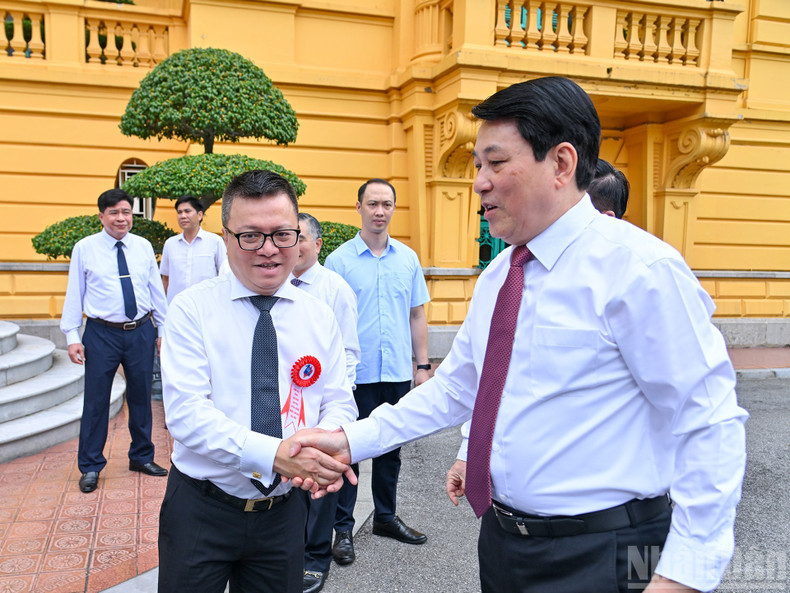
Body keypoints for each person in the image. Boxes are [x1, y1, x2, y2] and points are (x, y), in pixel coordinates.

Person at [291, 77, 748, 593]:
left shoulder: (640, 270)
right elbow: (458, 389)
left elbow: (708, 421)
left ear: (561, 163)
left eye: (496, 162)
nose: (479, 182)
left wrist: (683, 574)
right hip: (505, 544)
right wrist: (350, 440)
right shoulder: (501, 274)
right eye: (477, 165)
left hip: (611, 551)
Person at [158, 170, 358, 593]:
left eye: (283, 234)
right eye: (251, 236)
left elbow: (339, 400)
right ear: (226, 237)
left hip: (284, 512)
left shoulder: (318, 315)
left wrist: (321, 452)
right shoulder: (190, 310)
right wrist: (277, 455)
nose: (269, 250)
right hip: (201, 507)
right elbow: (187, 416)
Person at [446, 156, 632, 491]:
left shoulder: (639, 279)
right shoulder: (503, 273)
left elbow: (694, 412)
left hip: (602, 519)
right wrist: (468, 451)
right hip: (507, 517)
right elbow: (487, 379)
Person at [323, 178, 431, 564]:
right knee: (347, 453)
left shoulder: (408, 258)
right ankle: (341, 530)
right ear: (359, 207)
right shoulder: (338, 261)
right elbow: (329, 322)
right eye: (373, 204)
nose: (380, 211)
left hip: (398, 371)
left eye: (387, 204)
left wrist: (422, 366)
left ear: (394, 208)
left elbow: (417, 314)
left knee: (390, 450)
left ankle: (385, 517)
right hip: (355, 375)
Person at [60, 188, 169, 494]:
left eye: (126, 212)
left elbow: (154, 291)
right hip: (101, 333)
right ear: (101, 216)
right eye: (114, 213)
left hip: (141, 331)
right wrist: (72, 336)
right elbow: (74, 293)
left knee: (141, 398)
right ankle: (91, 465)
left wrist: (163, 331)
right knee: (96, 401)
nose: (121, 218)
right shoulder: (85, 248)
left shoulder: (143, 246)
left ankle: (141, 456)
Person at [290, 212, 361, 593]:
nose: (292, 244)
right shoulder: (274, 284)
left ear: (317, 244)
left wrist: (335, 411)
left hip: (322, 406)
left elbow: (349, 353)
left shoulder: (335, 289)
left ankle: (315, 559)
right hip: (285, 405)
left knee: (319, 485)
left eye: (299, 237)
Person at [159, 195, 227, 303]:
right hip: (177, 308)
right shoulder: (170, 244)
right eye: (179, 212)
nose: (183, 216)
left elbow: (224, 275)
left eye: (187, 211)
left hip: (207, 306)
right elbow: (165, 279)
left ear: (199, 215)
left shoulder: (215, 241)